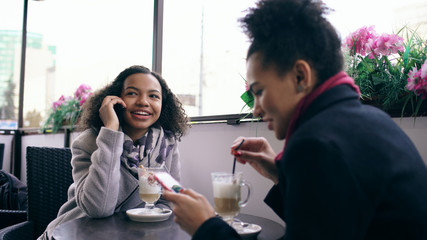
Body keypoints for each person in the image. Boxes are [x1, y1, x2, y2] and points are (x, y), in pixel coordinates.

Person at [162, 0, 427, 239]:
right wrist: (281, 173)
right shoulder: (370, 121)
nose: (255, 109)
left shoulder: (316, 144)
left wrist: (206, 227)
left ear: (300, 76)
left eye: (259, 92)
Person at [39, 65, 189, 240]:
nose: (143, 101)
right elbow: (99, 208)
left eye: (153, 96)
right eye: (132, 93)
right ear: (116, 99)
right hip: (78, 232)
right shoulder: (87, 142)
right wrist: (111, 131)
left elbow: (171, 200)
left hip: (133, 234)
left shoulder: (166, 145)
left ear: (163, 105)